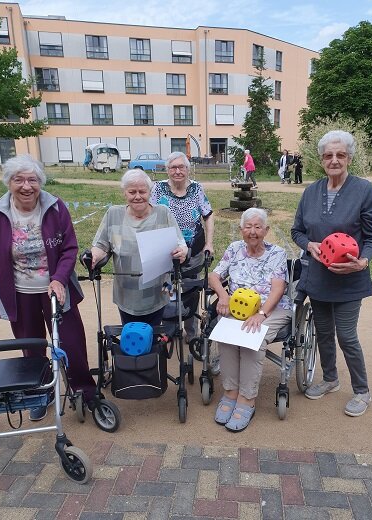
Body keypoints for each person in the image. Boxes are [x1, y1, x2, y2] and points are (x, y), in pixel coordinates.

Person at [0, 154, 96, 421]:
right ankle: (40, 394)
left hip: (57, 291)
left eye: (32, 179)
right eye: (18, 180)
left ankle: (84, 389)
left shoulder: (55, 207)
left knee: (72, 344)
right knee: (32, 349)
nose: (26, 186)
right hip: (19, 294)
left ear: (40, 182)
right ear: (9, 182)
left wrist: (58, 278)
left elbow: (69, 248)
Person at [291, 130, 372, 417]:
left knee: (346, 336)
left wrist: (363, 262)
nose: (334, 160)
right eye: (328, 155)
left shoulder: (364, 190)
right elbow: (297, 231)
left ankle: (362, 391)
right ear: (321, 159)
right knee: (324, 334)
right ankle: (330, 379)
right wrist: (310, 245)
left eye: (340, 155)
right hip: (317, 277)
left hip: (349, 279)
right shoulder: (311, 191)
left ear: (349, 158)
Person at [208, 208, 292, 432]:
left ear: (266, 230)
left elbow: (278, 288)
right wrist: (223, 296)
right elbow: (214, 276)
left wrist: (261, 313)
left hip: (271, 309)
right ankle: (230, 392)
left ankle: (246, 398)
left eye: (257, 227)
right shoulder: (234, 249)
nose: (252, 231)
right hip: (237, 307)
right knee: (226, 337)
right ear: (241, 229)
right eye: (248, 226)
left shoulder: (277, 254)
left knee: (251, 337)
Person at [92, 168, 188, 327]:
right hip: (126, 293)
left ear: (150, 192)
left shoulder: (163, 212)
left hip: (160, 289)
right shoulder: (113, 214)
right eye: (132, 192)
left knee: (155, 334)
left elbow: (180, 243)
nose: (137, 196)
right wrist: (94, 256)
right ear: (124, 193)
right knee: (133, 335)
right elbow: (101, 245)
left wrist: (182, 251)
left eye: (142, 191)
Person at [150, 151, 214, 342]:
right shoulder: (158, 189)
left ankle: (191, 332)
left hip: (193, 246)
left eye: (181, 167)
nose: (177, 171)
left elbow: (208, 214)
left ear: (188, 169)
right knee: (167, 288)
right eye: (173, 167)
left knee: (190, 287)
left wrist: (209, 243)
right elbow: (149, 216)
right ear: (167, 170)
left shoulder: (196, 188)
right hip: (166, 249)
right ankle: (169, 330)